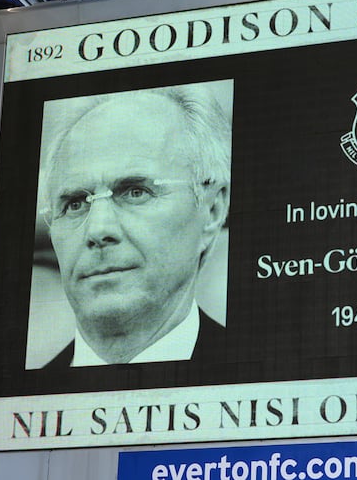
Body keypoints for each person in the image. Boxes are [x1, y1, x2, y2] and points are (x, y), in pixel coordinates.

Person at [41, 81, 231, 367]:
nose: (98, 230)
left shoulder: (268, 371)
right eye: (76, 203)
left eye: (135, 192)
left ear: (212, 210)